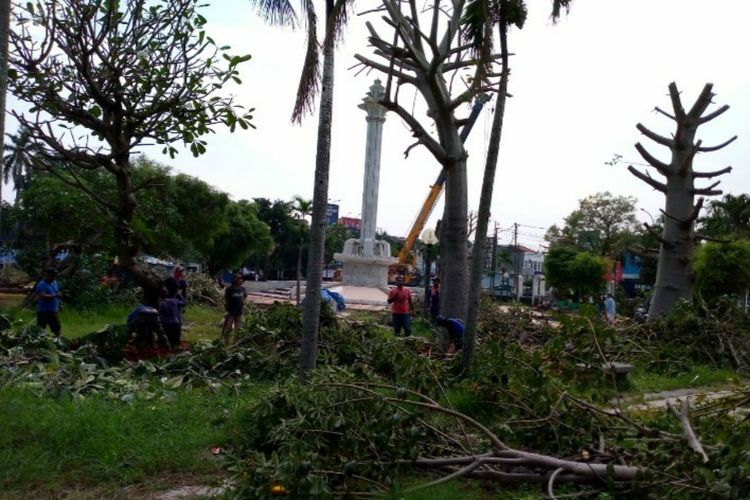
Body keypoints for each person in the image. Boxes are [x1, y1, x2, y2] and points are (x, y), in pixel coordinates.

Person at [35, 268, 63, 338]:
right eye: (52, 276)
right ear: (47, 275)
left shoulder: (55, 283)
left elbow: (56, 293)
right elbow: (43, 296)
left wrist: (60, 302)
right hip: (43, 312)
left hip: (53, 311)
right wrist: (56, 295)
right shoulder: (42, 284)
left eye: (54, 276)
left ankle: (59, 342)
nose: (54, 278)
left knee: (57, 328)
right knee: (40, 330)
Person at [223, 274, 247, 343]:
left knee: (238, 328)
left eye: (242, 279)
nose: (241, 280)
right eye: (239, 279)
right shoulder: (229, 289)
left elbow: (244, 297)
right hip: (231, 311)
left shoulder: (243, 289)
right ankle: (225, 342)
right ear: (235, 280)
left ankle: (236, 342)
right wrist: (226, 309)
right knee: (228, 327)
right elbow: (226, 300)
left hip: (239, 311)